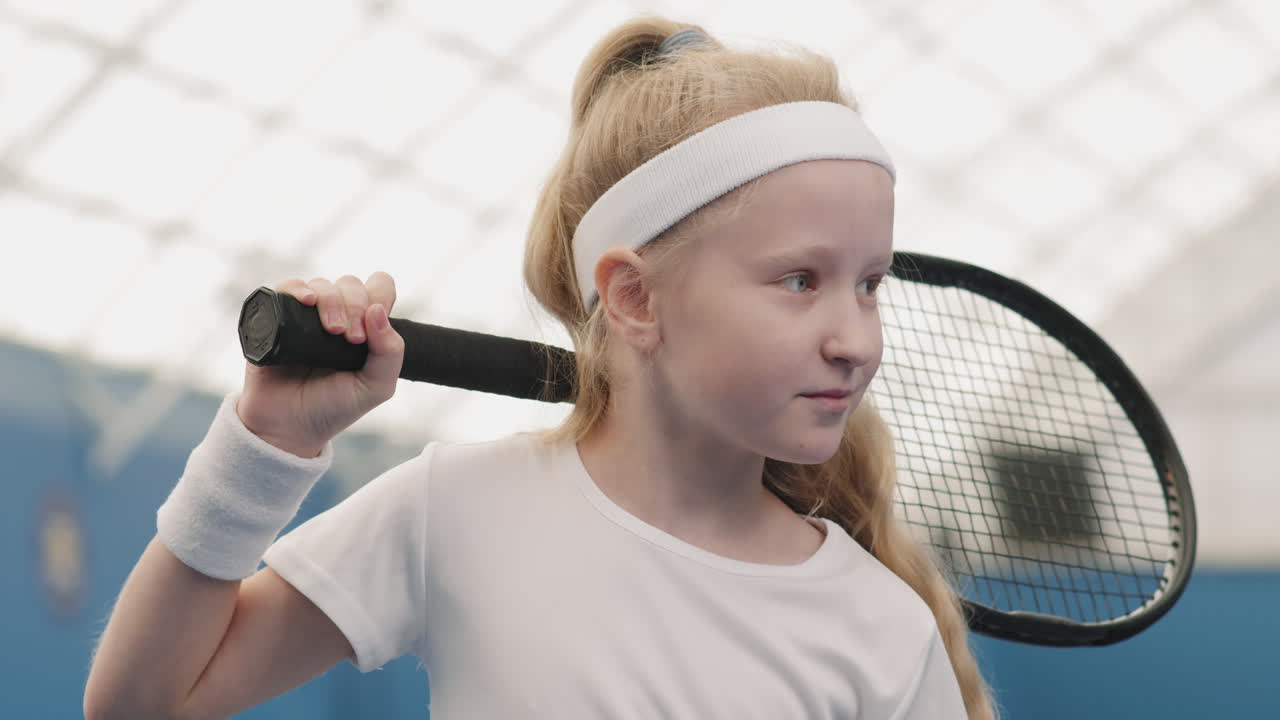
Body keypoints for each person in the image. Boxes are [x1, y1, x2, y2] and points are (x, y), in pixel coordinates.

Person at [85, 16, 998, 720]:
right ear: (636, 299)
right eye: (800, 280)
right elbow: (142, 702)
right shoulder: (455, 507)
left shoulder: (882, 629)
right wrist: (266, 444)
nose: (857, 337)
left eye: (869, 283)